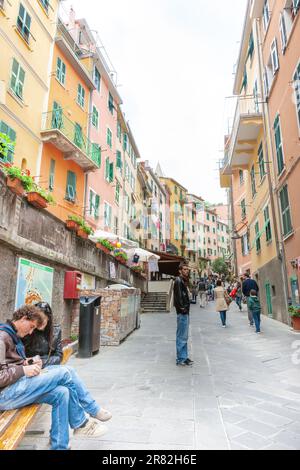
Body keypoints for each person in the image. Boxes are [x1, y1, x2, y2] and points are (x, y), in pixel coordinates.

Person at [0, 305, 109, 450]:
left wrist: (28, 361)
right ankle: (81, 422)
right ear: (23, 318)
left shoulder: (12, 335)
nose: (31, 332)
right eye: (31, 326)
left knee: (62, 392)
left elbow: (9, 364)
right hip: (6, 395)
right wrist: (23, 369)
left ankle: (60, 447)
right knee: (64, 373)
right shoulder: (2, 337)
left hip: (16, 388)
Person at [23, 301, 112, 418]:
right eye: (37, 320)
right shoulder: (29, 331)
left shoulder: (55, 330)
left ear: (48, 319)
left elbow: (59, 356)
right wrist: (35, 362)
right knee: (68, 373)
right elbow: (22, 357)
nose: (39, 323)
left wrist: (43, 361)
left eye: (42, 320)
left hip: (48, 368)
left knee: (65, 384)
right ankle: (90, 412)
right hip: (32, 372)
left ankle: (89, 413)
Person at [174, 263, 193, 366]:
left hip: (185, 312)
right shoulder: (178, 281)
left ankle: (184, 357)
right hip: (182, 312)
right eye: (185, 269)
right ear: (180, 270)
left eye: (187, 269)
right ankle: (181, 358)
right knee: (181, 336)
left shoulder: (183, 281)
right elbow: (178, 297)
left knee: (184, 336)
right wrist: (183, 309)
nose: (187, 271)